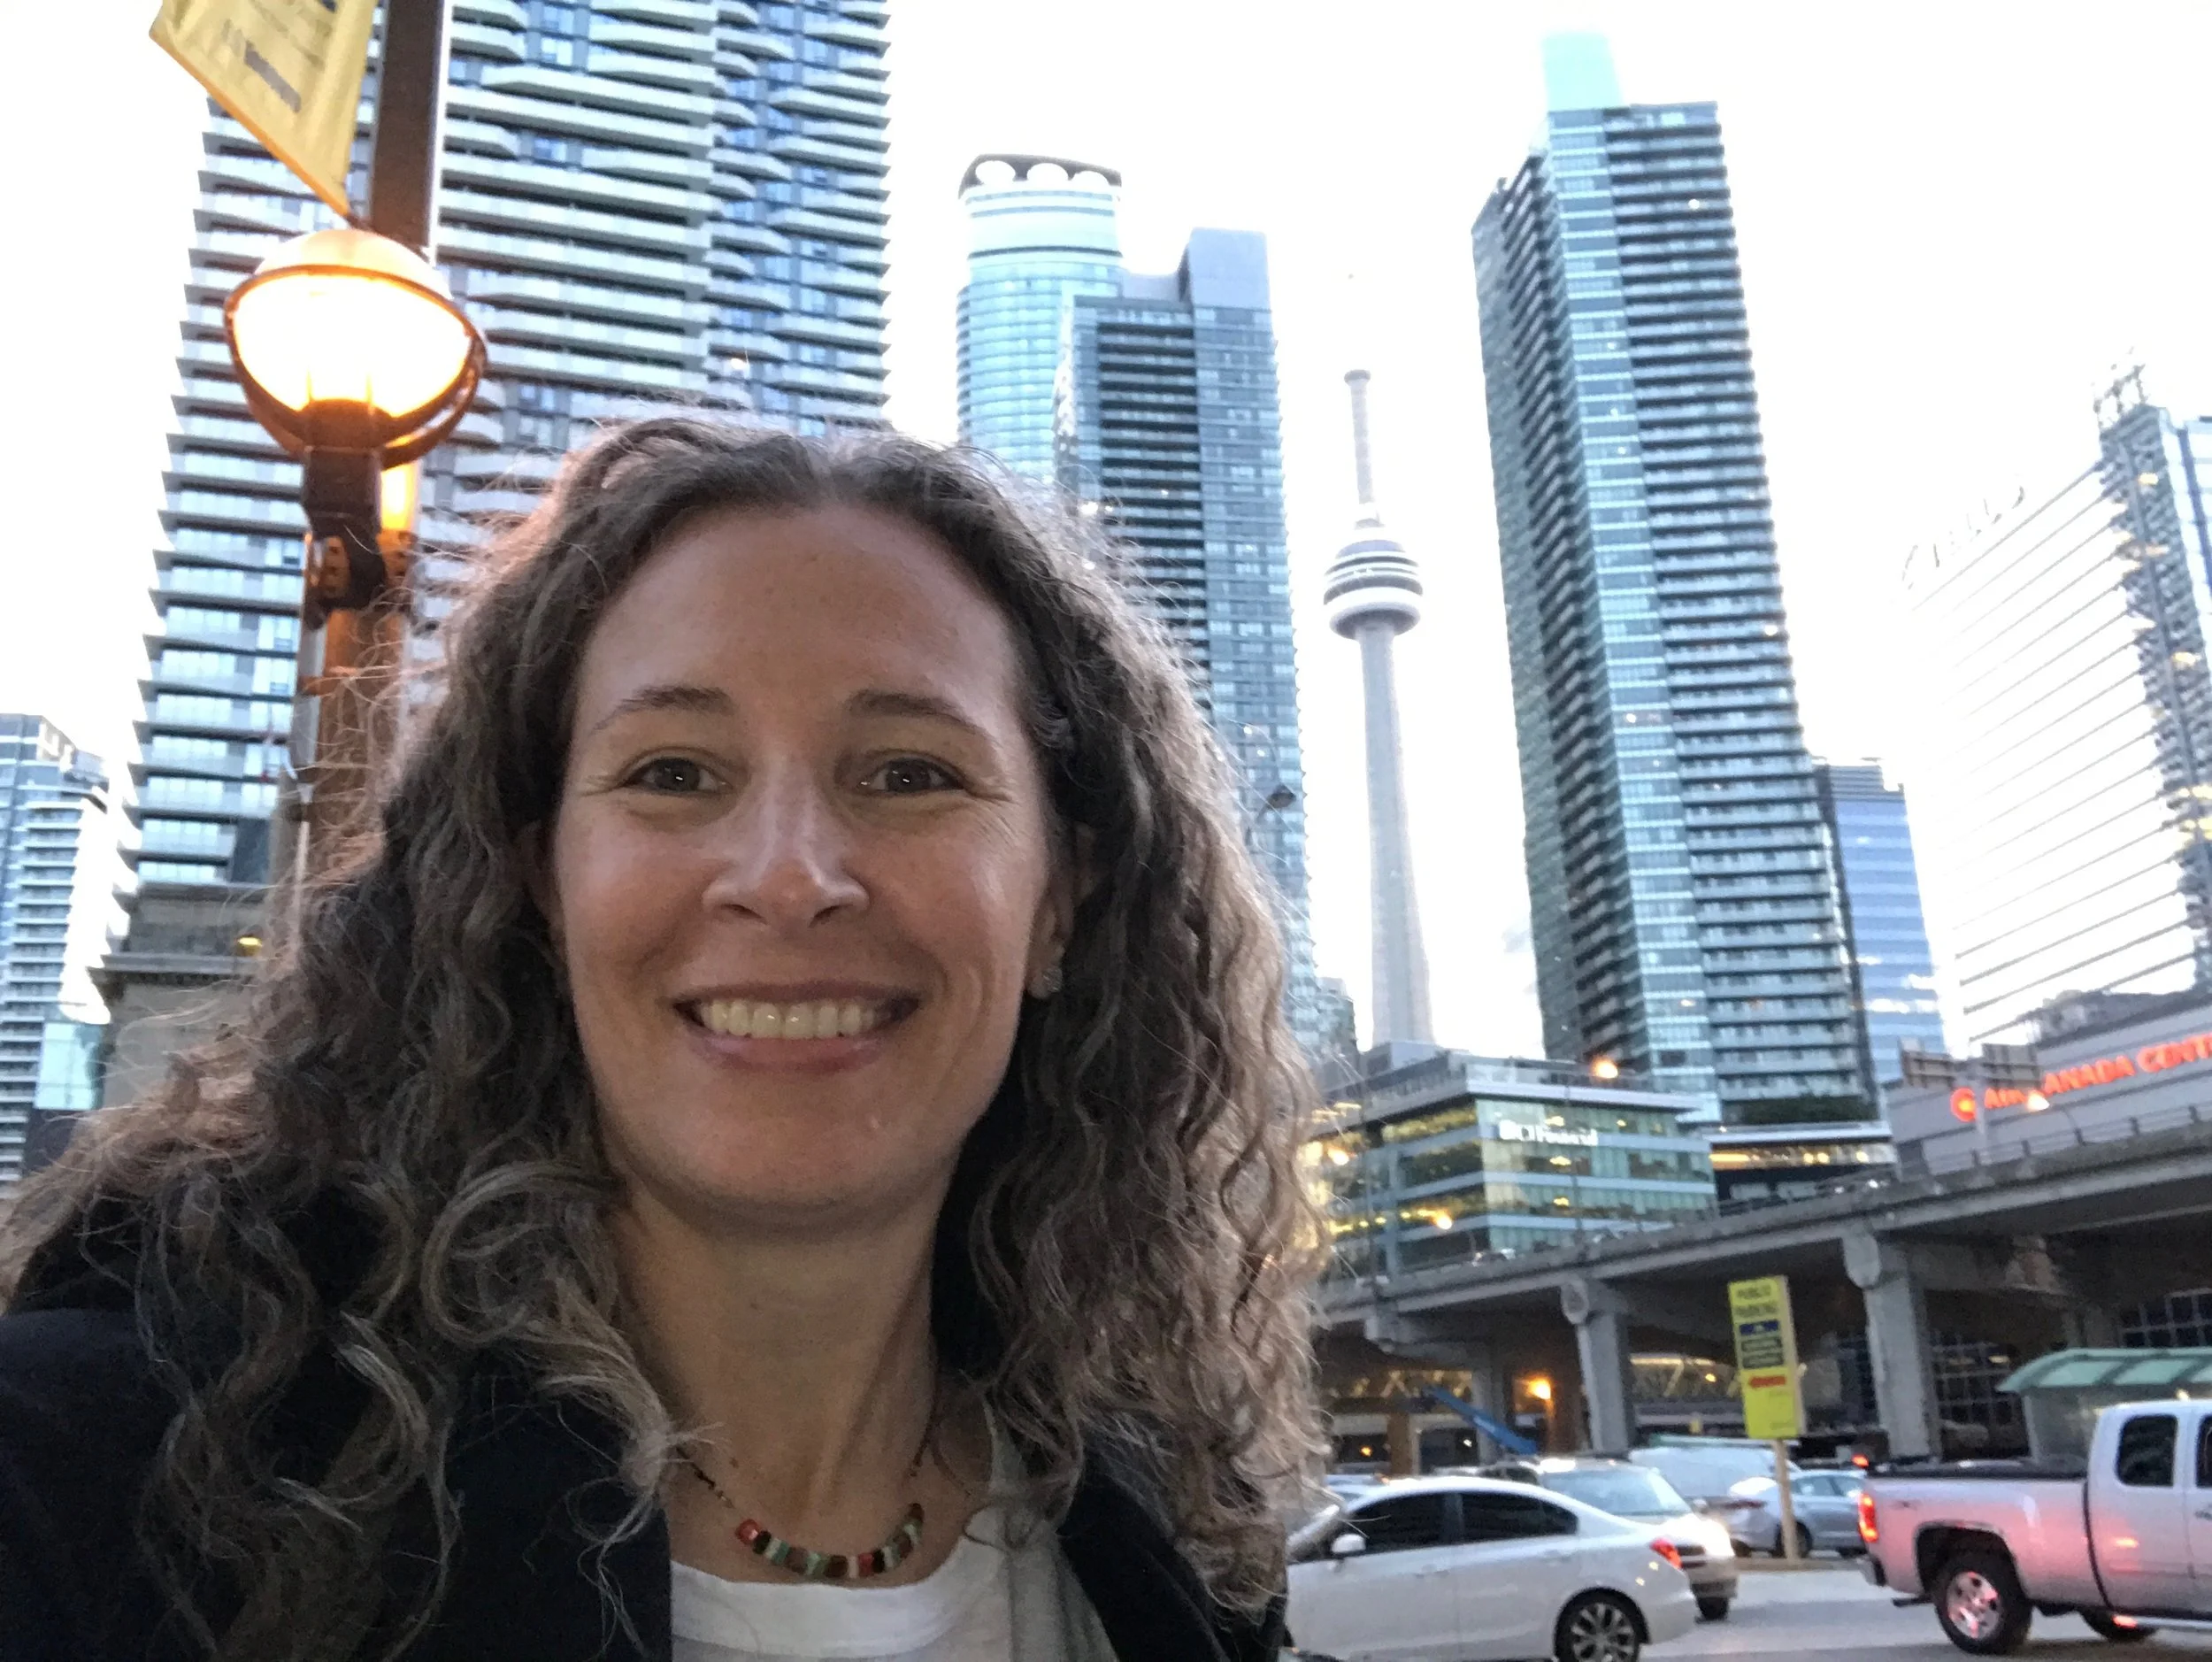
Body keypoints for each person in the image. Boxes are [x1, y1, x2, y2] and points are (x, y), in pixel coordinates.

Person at [0, 419, 1324, 1662]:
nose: (790, 874)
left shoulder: (1182, 1548)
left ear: (1060, 905)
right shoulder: (100, 1480)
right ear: (537, 888)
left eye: (911, 772)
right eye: (673, 772)